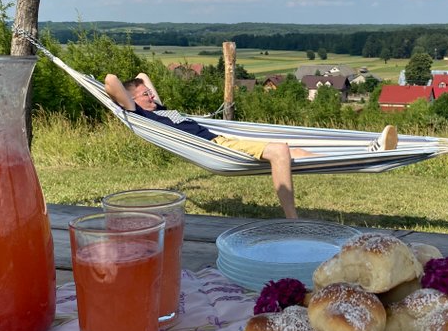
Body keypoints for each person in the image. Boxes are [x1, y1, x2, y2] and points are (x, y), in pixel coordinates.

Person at [104, 73, 398, 220]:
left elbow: (142, 76)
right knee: (280, 151)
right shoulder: (140, 114)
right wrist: (130, 98)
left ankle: (367, 152)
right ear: (132, 100)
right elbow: (111, 81)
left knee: (296, 153)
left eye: (150, 95)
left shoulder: (158, 106)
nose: (151, 97)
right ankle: (292, 220)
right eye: (145, 95)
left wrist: (144, 90)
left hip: (224, 141)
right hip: (216, 146)